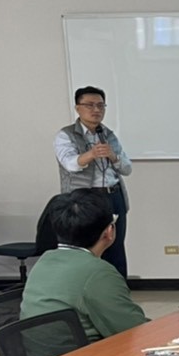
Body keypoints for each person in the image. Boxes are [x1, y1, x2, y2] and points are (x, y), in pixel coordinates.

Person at [20, 189, 148, 341]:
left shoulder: (45, 260)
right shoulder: (99, 273)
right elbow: (134, 330)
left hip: (41, 352)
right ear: (109, 231)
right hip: (85, 353)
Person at [54, 86, 132, 278]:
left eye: (100, 105)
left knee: (116, 247)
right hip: (85, 200)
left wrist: (113, 156)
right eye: (89, 105)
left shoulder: (108, 134)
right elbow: (70, 164)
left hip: (113, 196)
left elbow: (127, 168)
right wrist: (91, 154)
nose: (96, 110)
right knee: (86, 248)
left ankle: (117, 288)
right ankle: (87, 289)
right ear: (77, 108)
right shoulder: (66, 135)